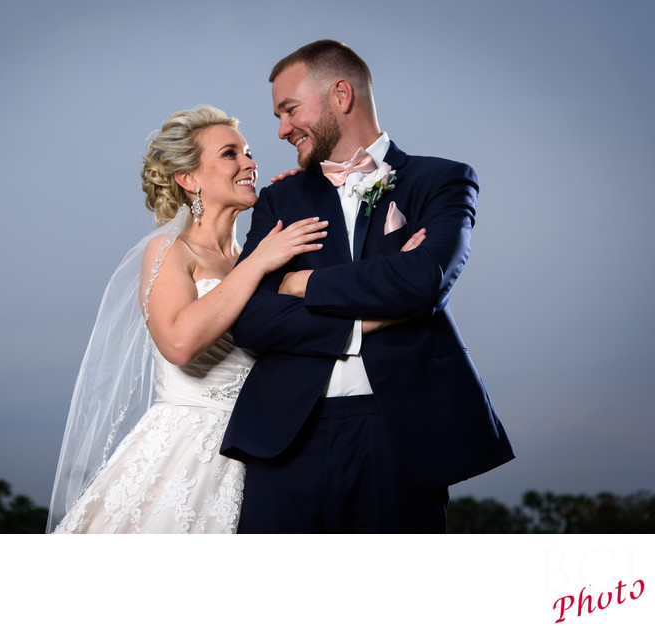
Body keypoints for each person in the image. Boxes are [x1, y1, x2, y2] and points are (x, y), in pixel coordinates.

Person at [221, 40, 515, 533]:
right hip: (286, 435)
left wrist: (300, 282)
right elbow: (248, 317)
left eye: (289, 110)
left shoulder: (441, 181)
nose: (281, 129)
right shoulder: (279, 198)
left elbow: (422, 282)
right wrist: (360, 322)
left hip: (402, 434)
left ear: (341, 94)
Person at [46, 106, 371, 533]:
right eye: (230, 154)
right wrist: (257, 266)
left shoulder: (261, 258)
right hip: (184, 452)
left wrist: (305, 193)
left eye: (249, 152)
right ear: (189, 179)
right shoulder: (170, 251)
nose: (250, 162)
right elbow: (178, 344)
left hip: (262, 449)